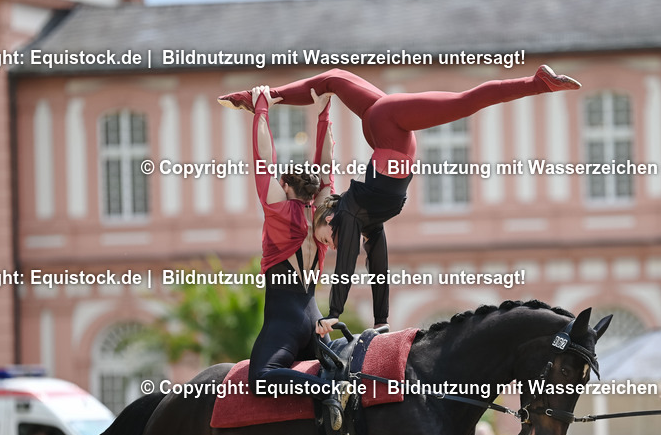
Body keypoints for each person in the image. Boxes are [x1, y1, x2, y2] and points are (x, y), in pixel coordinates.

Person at [219, 66, 581, 333]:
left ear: (330, 222)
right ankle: (260, 98)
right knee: (330, 81)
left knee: (463, 101)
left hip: (388, 126)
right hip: (385, 133)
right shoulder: (367, 222)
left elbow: (345, 264)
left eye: (329, 237)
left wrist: (334, 312)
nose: (335, 244)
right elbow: (380, 269)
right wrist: (381, 321)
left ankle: (537, 84)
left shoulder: (347, 214)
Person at [233, 86, 348, 430]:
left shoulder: (278, 211)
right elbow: (327, 160)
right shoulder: (320, 218)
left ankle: (325, 388)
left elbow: (263, 158)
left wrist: (261, 108)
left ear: (285, 185)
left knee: (262, 378)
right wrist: (324, 110)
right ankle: (335, 389)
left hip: (283, 325)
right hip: (315, 324)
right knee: (338, 364)